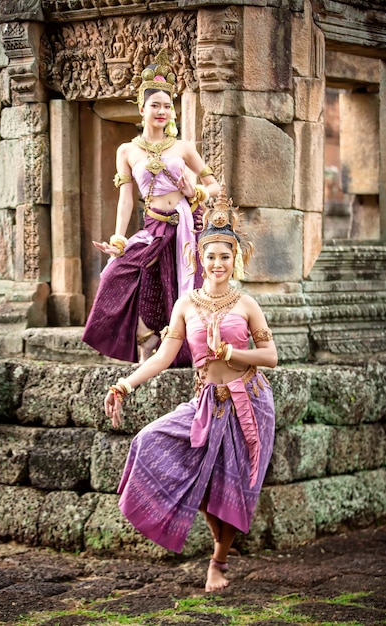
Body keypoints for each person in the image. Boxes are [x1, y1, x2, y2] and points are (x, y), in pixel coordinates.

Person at [104, 188, 277, 593]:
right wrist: (125, 385)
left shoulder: (247, 304)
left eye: (225, 256)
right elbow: (163, 357)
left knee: (232, 488)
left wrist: (231, 351)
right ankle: (215, 547)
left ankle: (218, 561)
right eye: (211, 255)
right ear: (200, 258)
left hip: (246, 402)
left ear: (236, 260)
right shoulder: (185, 304)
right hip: (204, 405)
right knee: (150, 441)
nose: (217, 263)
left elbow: (270, 355)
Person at [82, 48, 220, 366]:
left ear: (172, 113)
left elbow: (215, 187)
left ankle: (180, 350)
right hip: (153, 226)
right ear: (142, 109)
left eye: (167, 107)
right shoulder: (127, 151)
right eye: (155, 105)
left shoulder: (184, 148)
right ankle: (147, 341)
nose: (161, 112)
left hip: (186, 225)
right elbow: (127, 198)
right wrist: (118, 240)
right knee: (115, 275)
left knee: (182, 286)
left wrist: (194, 191)